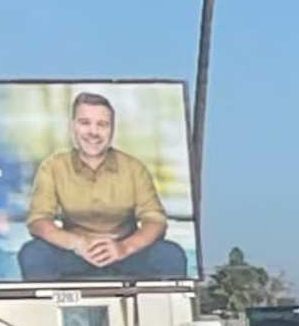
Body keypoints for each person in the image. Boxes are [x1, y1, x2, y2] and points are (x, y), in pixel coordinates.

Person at [14, 91, 185, 282]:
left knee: (170, 254)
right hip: (74, 252)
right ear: (73, 127)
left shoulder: (134, 168)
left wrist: (124, 248)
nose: (93, 132)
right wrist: (78, 244)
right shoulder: (53, 166)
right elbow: (38, 221)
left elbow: (156, 221)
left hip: (125, 253)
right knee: (33, 254)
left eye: (102, 125)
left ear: (112, 129)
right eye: (85, 123)